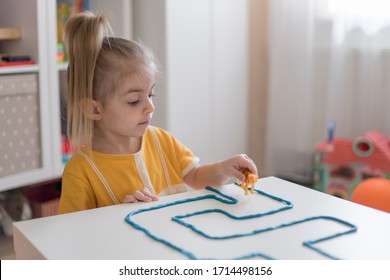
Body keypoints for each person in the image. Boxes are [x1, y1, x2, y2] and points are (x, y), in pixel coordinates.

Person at [58, 12, 258, 214]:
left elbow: (197, 177)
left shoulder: (162, 140)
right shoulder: (80, 171)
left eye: (151, 95)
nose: (150, 107)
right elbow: (74, 235)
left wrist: (224, 168)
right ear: (94, 109)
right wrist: (119, 216)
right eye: (134, 101)